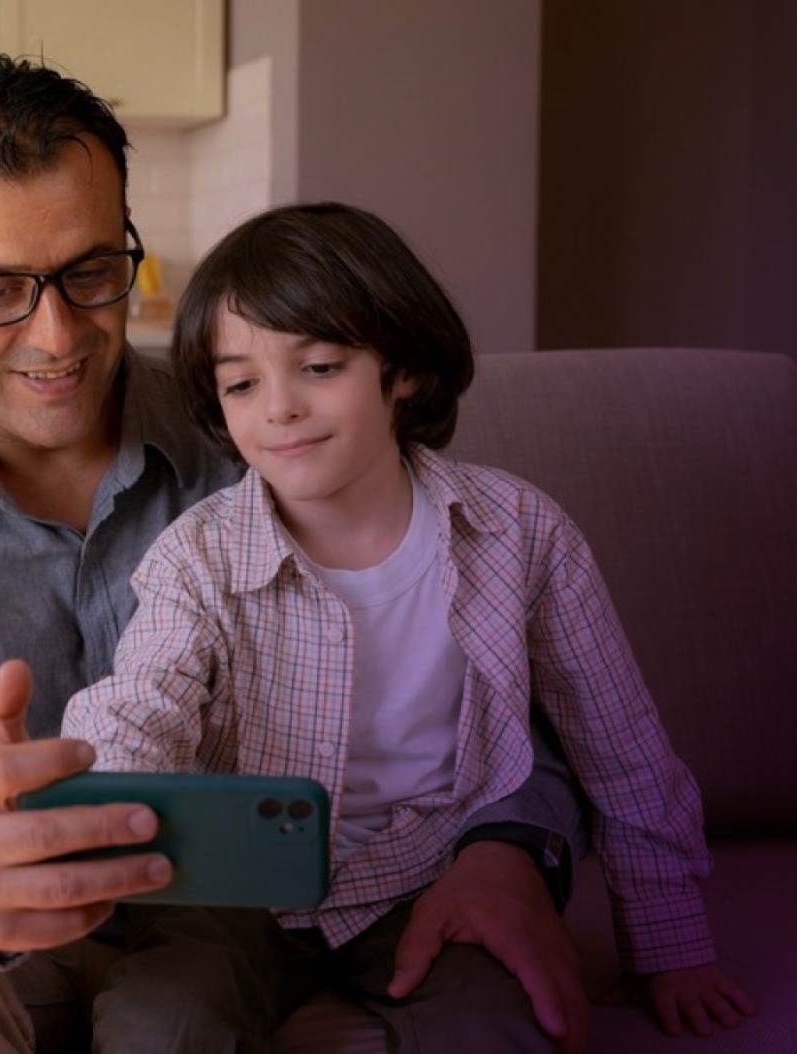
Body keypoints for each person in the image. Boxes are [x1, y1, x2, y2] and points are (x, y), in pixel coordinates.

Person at [0, 54, 589, 1053]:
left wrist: (506, 845)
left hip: (250, 916)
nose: (59, 336)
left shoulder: (259, 422)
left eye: (90, 272)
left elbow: (501, 685)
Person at [62, 202, 758, 1048]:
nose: (277, 407)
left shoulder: (520, 532)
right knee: (158, 1025)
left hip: (428, 878)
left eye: (318, 367)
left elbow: (619, 745)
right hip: (234, 895)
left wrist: (669, 945)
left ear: (404, 371)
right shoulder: (195, 558)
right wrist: (96, 789)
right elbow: (143, 702)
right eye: (241, 382)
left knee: (501, 1026)